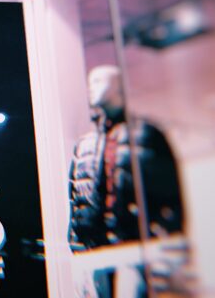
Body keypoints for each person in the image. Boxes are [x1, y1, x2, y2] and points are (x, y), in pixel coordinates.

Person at [68, 65, 186, 297]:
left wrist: (166, 247)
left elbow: (171, 198)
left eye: (98, 81)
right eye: (90, 82)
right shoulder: (84, 147)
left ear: (118, 87)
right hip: (95, 251)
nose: (91, 88)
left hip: (134, 248)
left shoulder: (146, 135)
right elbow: (75, 203)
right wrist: (77, 254)